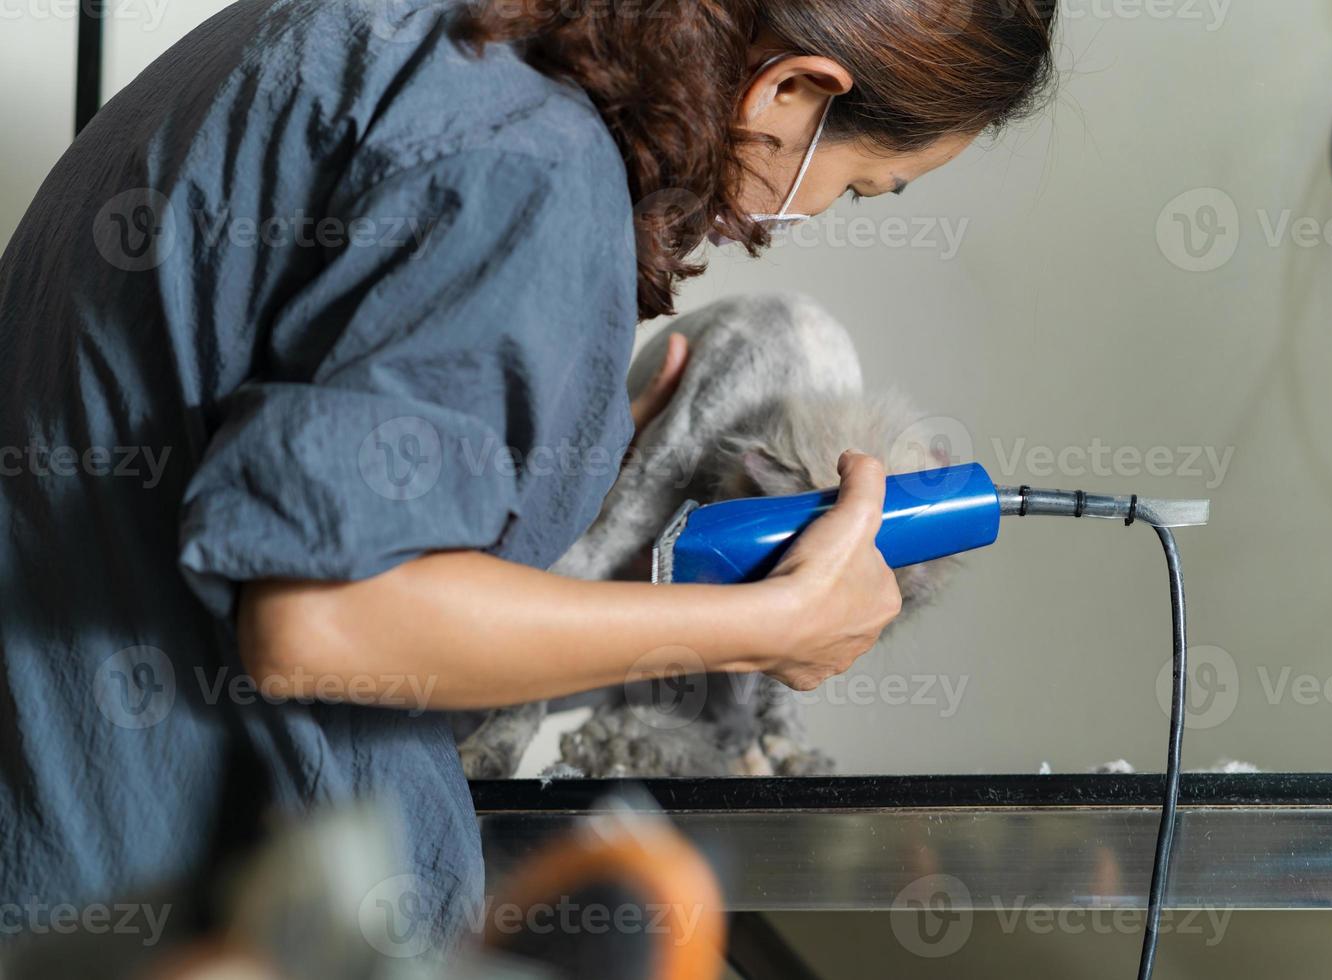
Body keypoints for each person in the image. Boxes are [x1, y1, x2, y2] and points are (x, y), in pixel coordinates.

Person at [0, 0, 1058, 950]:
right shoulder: (537, 156)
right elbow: (324, 618)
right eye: (864, 187)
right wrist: (767, 629)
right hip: (173, 896)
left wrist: (549, 445)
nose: (821, 210)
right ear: (795, 88)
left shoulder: (403, 33)